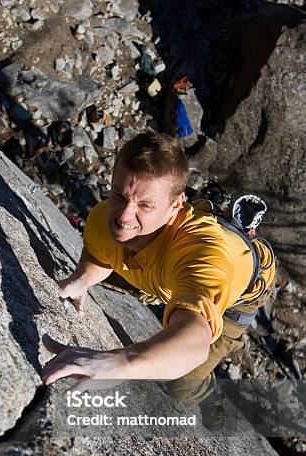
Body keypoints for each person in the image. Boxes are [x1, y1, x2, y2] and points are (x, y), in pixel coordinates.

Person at [41, 132, 275, 407]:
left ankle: (214, 394)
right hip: (165, 270)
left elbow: (195, 341)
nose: (123, 217)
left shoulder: (202, 256)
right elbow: (99, 252)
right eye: (119, 195)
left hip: (240, 291)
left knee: (179, 388)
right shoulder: (104, 221)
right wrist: (82, 279)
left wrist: (120, 362)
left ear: (176, 204)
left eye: (145, 205)